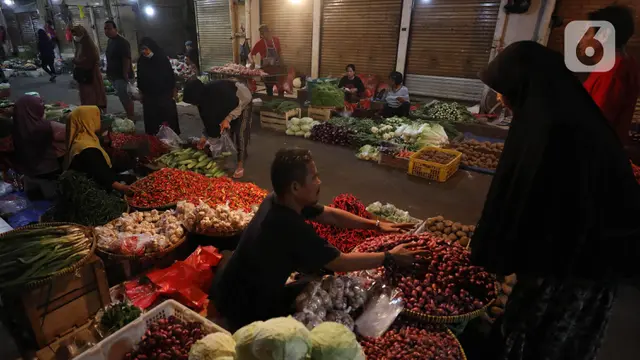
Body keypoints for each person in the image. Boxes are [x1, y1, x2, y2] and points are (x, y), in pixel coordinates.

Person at [471, 41, 640, 360]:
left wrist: (501, 251)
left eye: (502, 90)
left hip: (581, 262)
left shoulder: (558, 130)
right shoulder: (553, 115)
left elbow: (537, 203)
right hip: (567, 251)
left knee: (552, 338)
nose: (500, 99)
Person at [211, 148, 425, 331]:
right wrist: (389, 257)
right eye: (314, 177)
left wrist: (375, 224)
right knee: (316, 289)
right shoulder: (289, 226)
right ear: (295, 187)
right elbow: (340, 261)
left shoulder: (277, 199)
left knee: (312, 282)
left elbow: (329, 214)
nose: (319, 182)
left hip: (230, 287)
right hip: (244, 307)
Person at [581, 5, 639, 146]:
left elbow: (593, 125)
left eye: (587, 33)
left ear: (604, 35)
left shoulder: (612, 73)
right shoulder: (622, 65)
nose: (581, 40)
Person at [183, 78, 251, 178]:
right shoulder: (202, 100)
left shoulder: (219, 92)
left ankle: (240, 164)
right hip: (229, 105)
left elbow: (238, 104)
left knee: (240, 132)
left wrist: (228, 118)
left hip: (242, 99)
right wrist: (204, 136)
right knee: (229, 133)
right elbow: (209, 120)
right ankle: (235, 156)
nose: (195, 105)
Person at [65, 106, 132, 194]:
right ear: (89, 121)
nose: (99, 121)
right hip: (94, 189)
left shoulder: (80, 137)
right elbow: (100, 173)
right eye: (97, 117)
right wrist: (122, 187)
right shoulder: (87, 148)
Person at [12, 95, 65, 179]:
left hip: (26, 172)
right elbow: (70, 132)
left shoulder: (14, 127)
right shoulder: (46, 126)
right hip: (49, 169)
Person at [137, 37, 180, 136]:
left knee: (167, 118)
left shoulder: (161, 58)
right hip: (149, 96)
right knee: (152, 121)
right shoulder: (141, 61)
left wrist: (173, 90)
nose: (144, 51)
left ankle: (171, 138)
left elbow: (170, 75)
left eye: (145, 49)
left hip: (164, 94)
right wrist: (141, 92)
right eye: (142, 49)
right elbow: (140, 77)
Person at [71, 25, 107, 110]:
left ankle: (95, 110)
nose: (75, 37)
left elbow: (92, 59)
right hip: (83, 73)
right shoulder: (80, 43)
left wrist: (78, 61)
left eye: (76, 35)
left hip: (90, 73)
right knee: (85, 94)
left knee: (92, 93)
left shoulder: (87, 44)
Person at [104, 20, 135, 119]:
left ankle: (131, 116)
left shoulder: (122, 42)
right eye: (105, 29)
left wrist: (125, 74)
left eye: (109, 28)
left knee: (125, 97)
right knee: (122, 97)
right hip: (114, 75)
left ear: (115, 29)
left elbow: (126, 58)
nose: (106, 31)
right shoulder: (110, 41)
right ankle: (129, 114)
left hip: (122, 76)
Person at [250, 24, 283, 96]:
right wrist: (253, 61)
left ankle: (281, 101)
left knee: (280, 88)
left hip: (276, 68)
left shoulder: (276, 40)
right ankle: (270, 102)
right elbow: (251, 54)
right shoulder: (260, 43)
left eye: (263, 33)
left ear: (268, 32)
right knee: (269, 88)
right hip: (266, 70)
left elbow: (280, 53)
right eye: (261, 33)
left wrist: (282, 64)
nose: (262, 35)